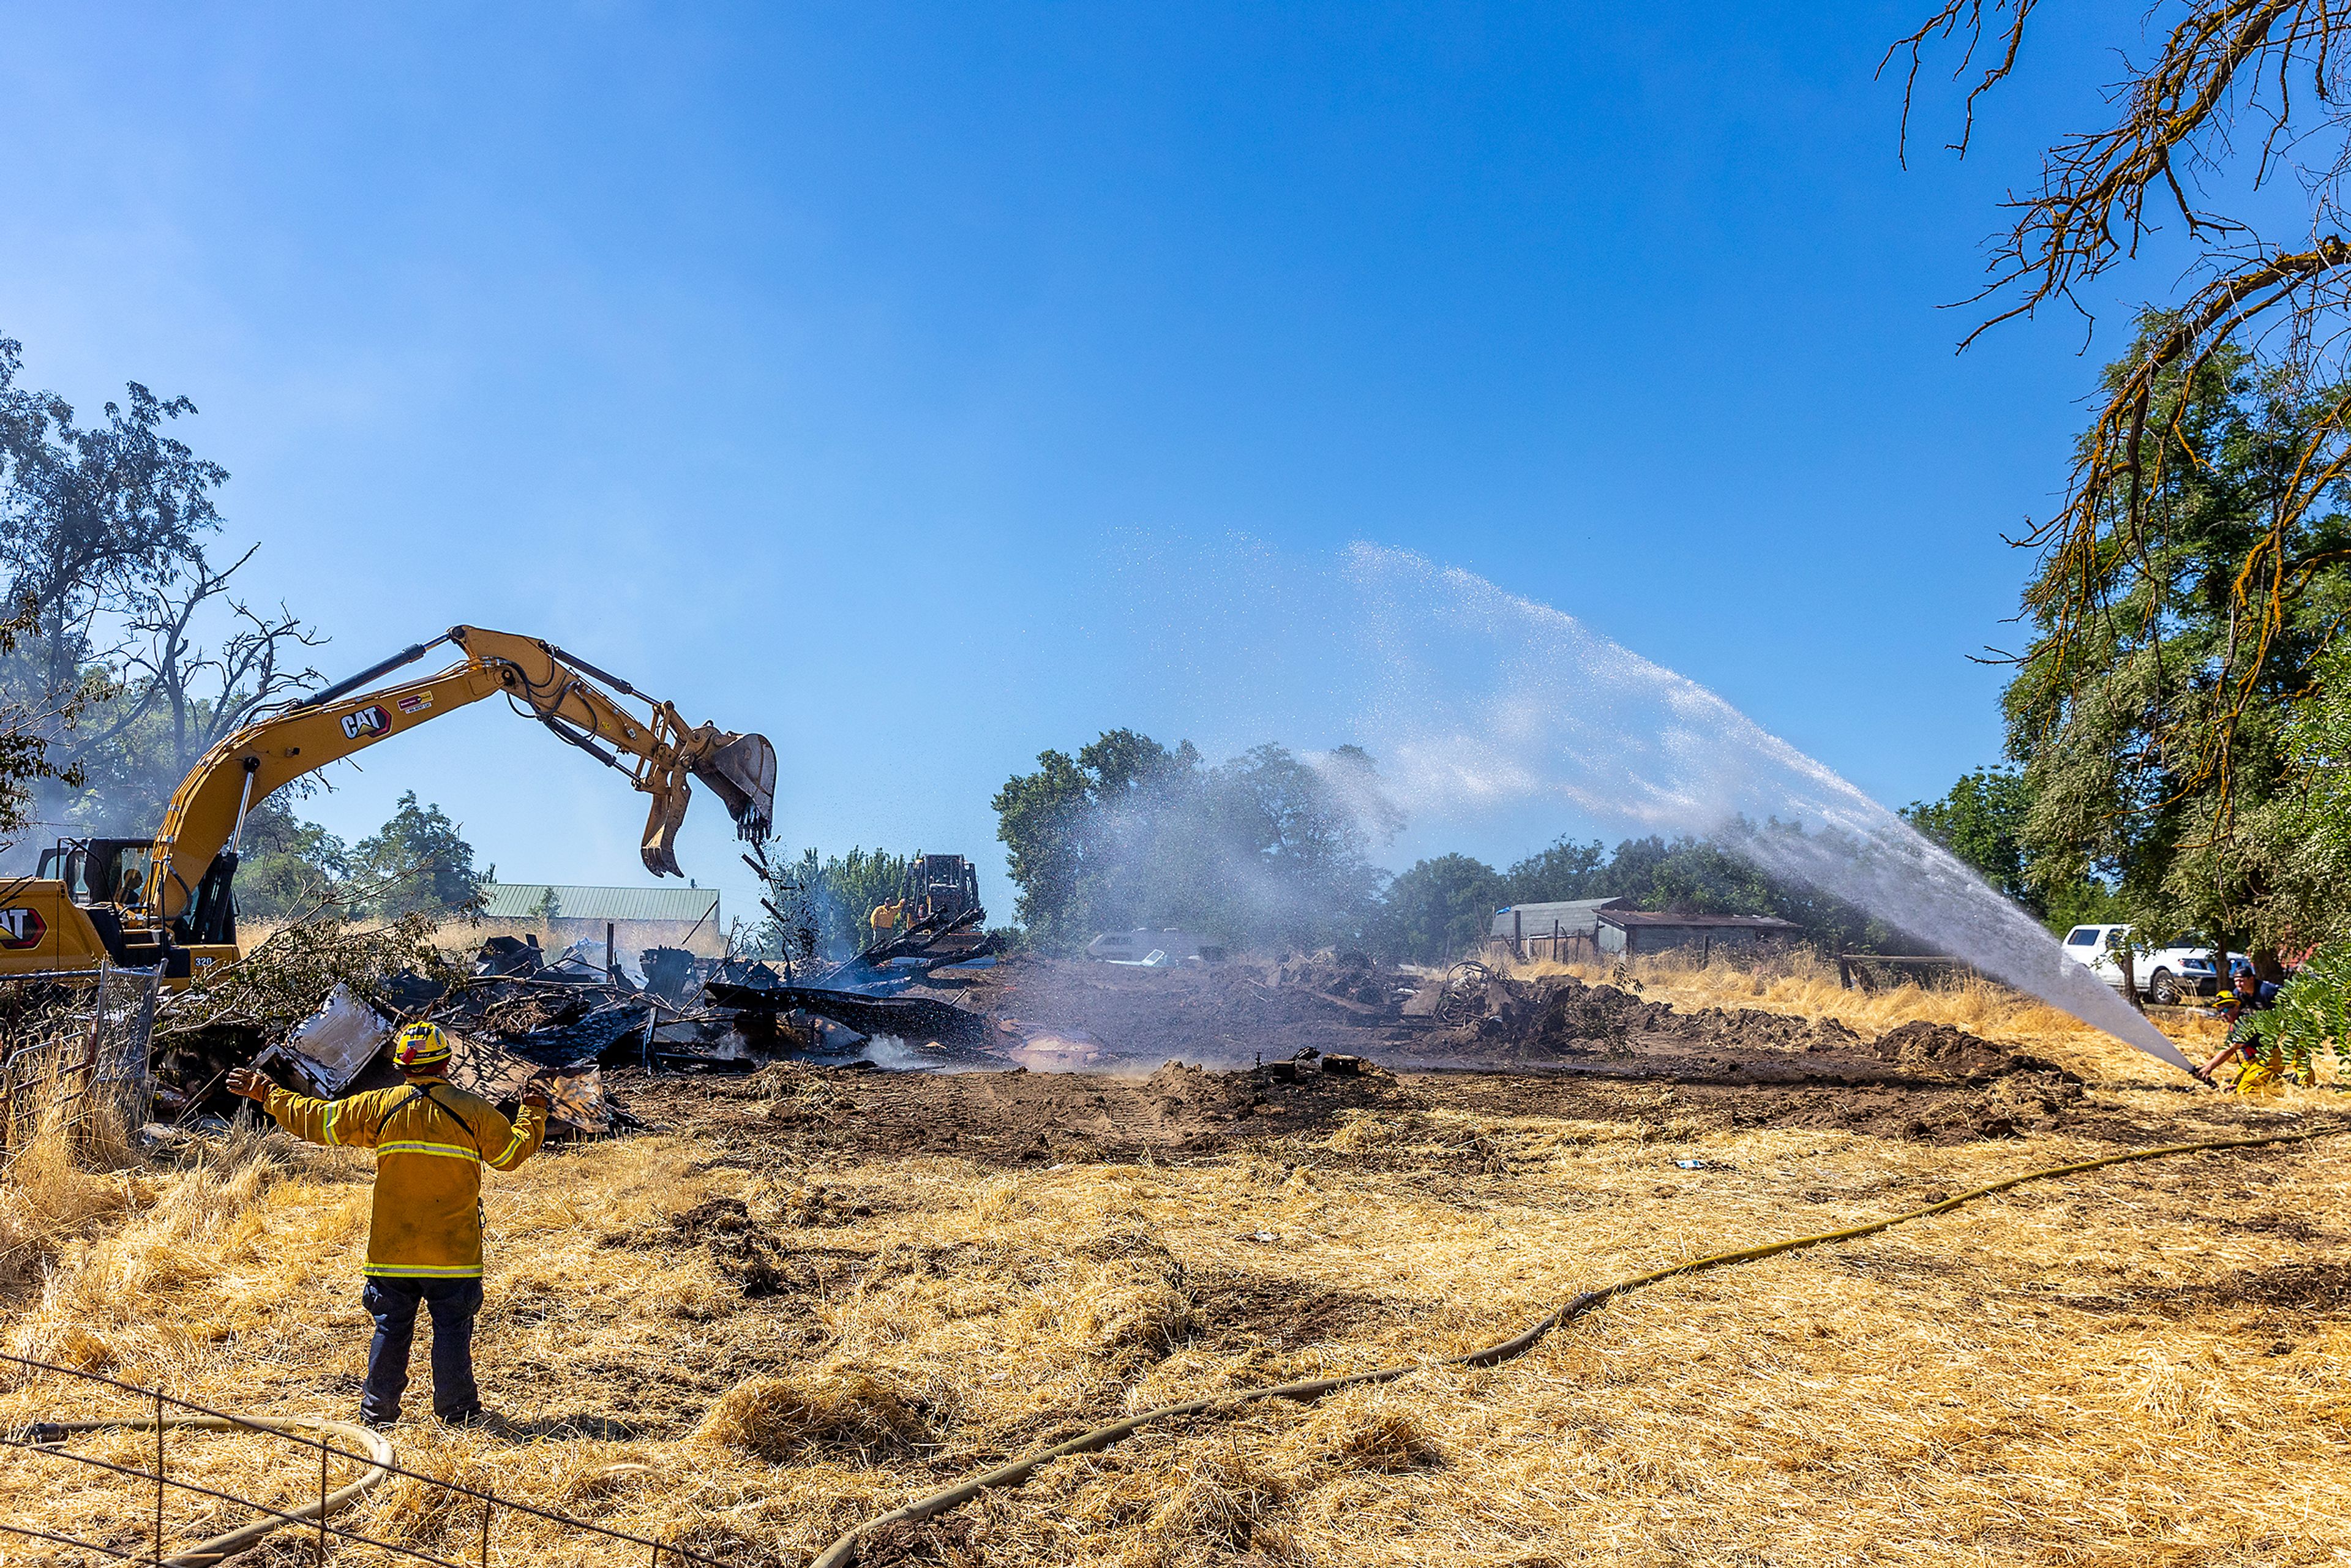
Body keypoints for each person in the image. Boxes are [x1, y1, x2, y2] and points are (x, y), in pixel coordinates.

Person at [225, 1021, 549, 1428]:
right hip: (453, 1255)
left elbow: (317, 1120)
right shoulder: (473, 1111)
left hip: (392, 1252)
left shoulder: (380, 1106)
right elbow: (510, 1155)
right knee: (452, 1329)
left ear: (401, 1066)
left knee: (391, 1328)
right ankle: (458, 1415)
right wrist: (533, 1111)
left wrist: (266, 1091)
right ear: (446, 1063)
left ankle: (378, 1417)